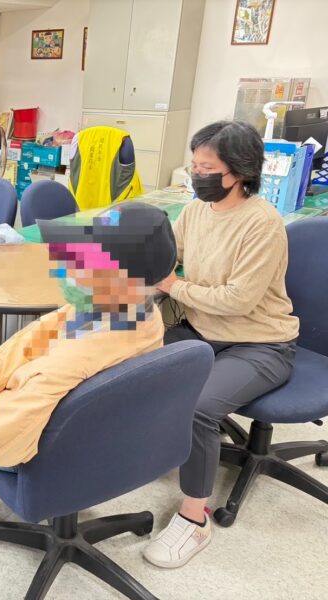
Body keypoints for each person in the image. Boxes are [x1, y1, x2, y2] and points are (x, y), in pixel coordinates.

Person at [0, 203, 177, 528]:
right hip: (91, 432)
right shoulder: (137, 310)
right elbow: (34, 337)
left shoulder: (77, 355)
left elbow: (3, 445)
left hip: (39, 447)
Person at [144, 121, 299, 569]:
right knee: (130, 360)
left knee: (198, 407)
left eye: (207, 168)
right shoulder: (196, 211)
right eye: (194, 166)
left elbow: (238, 300)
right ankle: (146, 452)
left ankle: (195, 519)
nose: (197, 175)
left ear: (240, 172)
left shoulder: (262, 224)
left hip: (261, 342)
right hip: (202, 330)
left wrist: (172, 286)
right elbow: (169, 258)